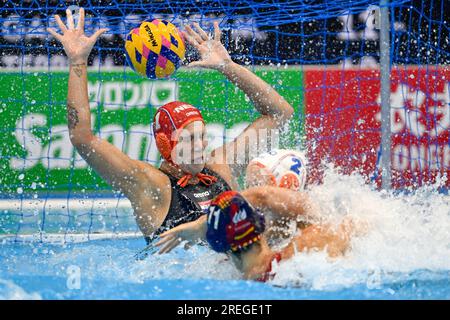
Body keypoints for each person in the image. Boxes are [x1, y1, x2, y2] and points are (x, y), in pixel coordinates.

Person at [47, 8, 294, 244]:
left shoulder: (222, 167)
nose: (201, 146)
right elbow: (82, 138)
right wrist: (78, 62)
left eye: (202, 137)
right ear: (166, 144)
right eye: (190, 139)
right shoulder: (151, 186)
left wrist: (228, 68)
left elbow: (280, 113)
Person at [205, 191, 359, 282]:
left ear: (222, 248)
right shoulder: (298, 251)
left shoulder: (227, 277)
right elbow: (357, 225)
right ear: (260, 225)